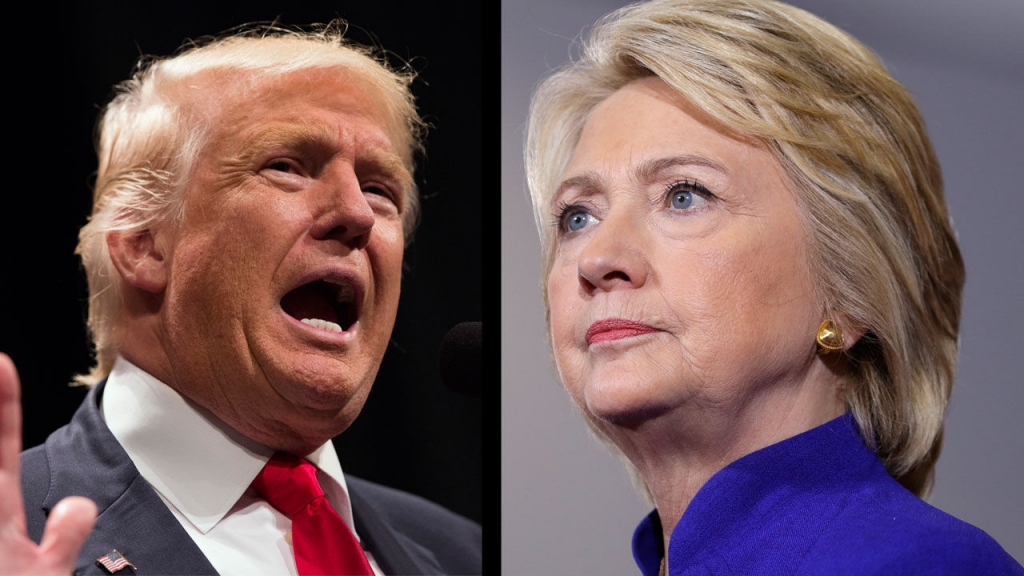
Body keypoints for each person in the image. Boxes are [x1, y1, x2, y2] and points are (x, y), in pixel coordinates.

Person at [522, 0, 1023, 573]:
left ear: (851, 288)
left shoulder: (921, 564)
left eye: (685, 195)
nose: (599, 257)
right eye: (577, 216)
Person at [2, 22, 481, 575]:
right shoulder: (18, 541)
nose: (357, 214)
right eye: (286, 167)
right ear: (143, 246)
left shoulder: (462, 552)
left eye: (379, 189)